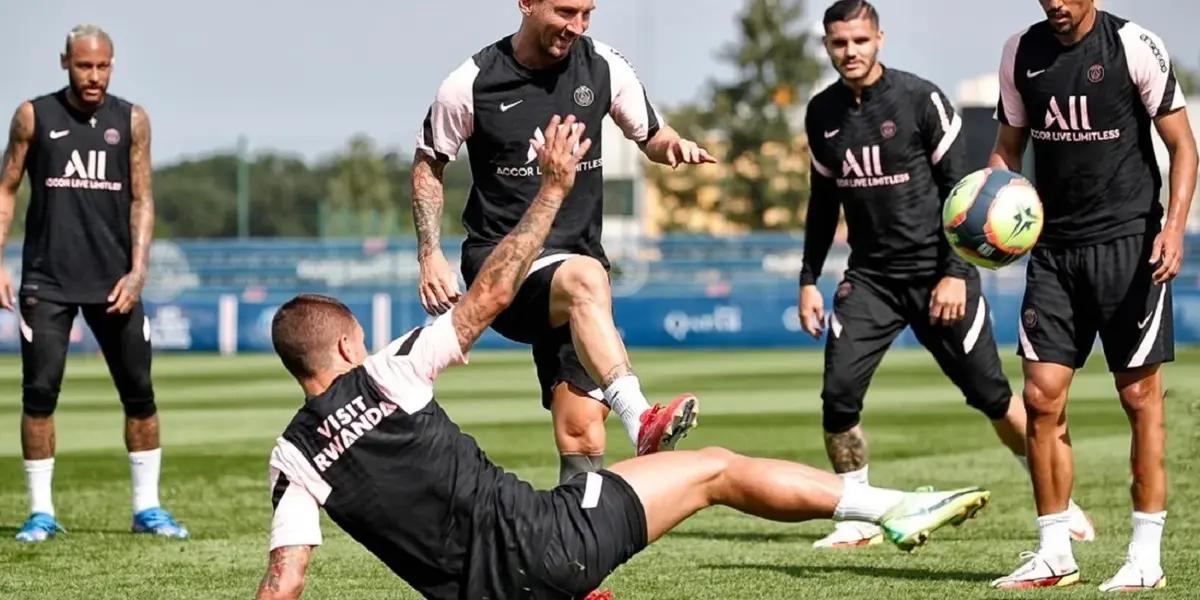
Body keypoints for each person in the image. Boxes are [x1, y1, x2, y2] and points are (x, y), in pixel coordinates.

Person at [255, 115, 992, 600]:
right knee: (716, 469)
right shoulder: (388, 371)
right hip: (553, 546)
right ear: (347, 345)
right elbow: (491, 292)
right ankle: (892, 507)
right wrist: (552, 189)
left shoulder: (292, 458)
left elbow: (285, 583)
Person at [799, 0, 1092, 549]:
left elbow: (966, 188)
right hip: (871, 280)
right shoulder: (821, 113)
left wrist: (955, 272)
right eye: (839, 43)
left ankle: (1060, 501)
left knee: (993, 397)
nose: (850, 52)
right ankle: (858, 516)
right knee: (838, 397)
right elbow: (822, 203)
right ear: (827, 45)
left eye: (860, 40)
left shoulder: (920, 99)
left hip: (940, 274)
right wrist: (808, 278)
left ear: (879, 38)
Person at [412, 0, 717, 485]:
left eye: (587, 13)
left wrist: (674, 146)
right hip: (503, 267)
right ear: (527, 4)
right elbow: (430, 162)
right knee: (586, 278)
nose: (577, 26)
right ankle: (641, 418)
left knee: (583, 431)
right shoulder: (469, 83)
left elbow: (652, 135)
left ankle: (578, 530)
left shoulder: (604, 66)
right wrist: (430, 254)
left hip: (576, 271)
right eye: (565, 11)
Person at [988, 0, 1196, 591]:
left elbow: (1183, 146)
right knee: (1040, 397)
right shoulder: (1019, 52)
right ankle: (1055, 552)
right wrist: (992, 209)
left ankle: (1145, 558)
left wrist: (1173, 227)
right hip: (1053, 251)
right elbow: (1007, 148)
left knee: (1139, 398)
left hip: (1130, 246)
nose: (1055, 2)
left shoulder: (1134, 45)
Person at [0, 25, 187, 542]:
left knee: (140, 394)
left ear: (112, 65)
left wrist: (138, 270)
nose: (95, 76)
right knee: (39, 395)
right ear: (65, 62)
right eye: (85, 65)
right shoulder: (34, 115)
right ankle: (41, 512)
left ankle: (147, 509)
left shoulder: (132, 120)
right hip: (47, 281)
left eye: (103, 66)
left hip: (115, 283)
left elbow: (142, 198)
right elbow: (7, 188)